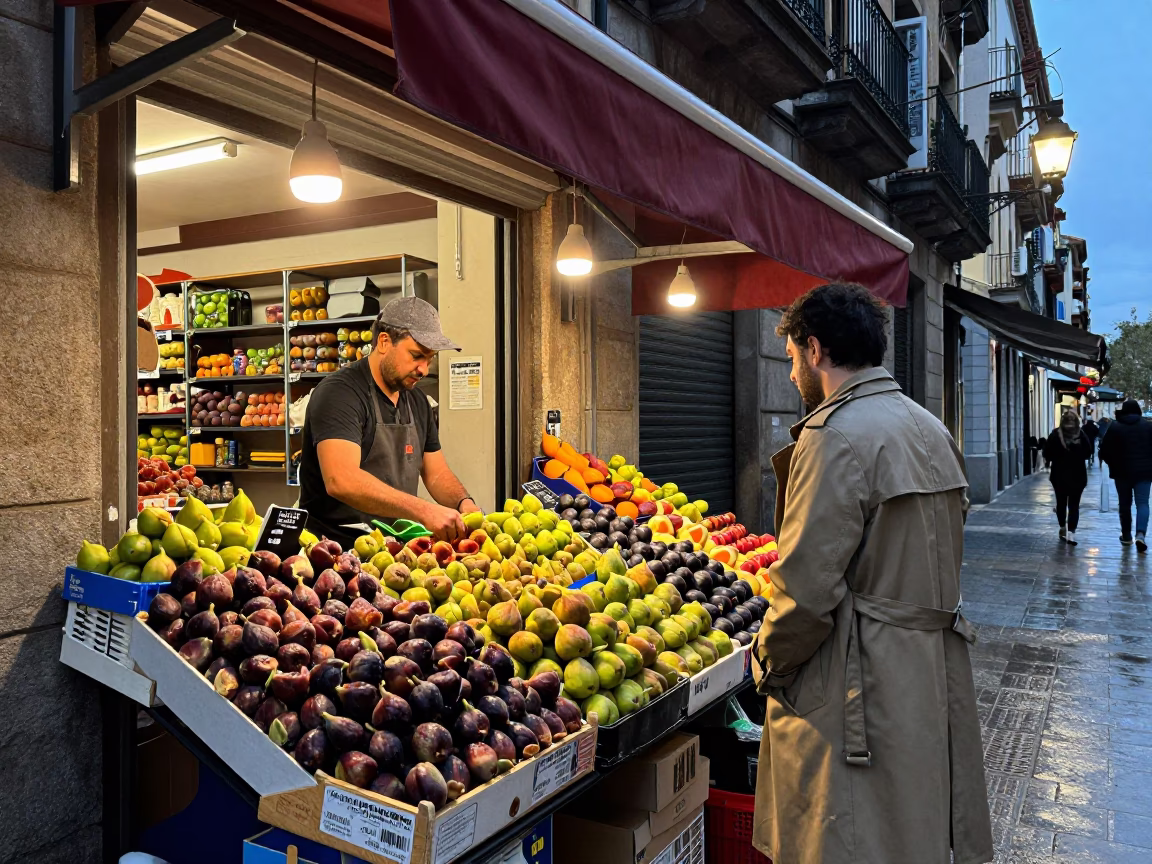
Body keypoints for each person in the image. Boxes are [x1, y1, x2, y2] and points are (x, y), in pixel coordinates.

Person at [751, 283, 992, 864]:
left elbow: (806, 591)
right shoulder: (930, 428)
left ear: (814, 350)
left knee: (847, 835)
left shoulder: (832, 436)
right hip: (929, 673)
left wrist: (769, 661)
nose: (789, 377)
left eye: (789, 359)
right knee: (912, 830)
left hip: (857, 681)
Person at [298, 297, 481, 547]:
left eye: (430, 359)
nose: (424, 369)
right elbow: (341, 480)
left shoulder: (417, 401)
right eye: (416, 356)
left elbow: (436, 473)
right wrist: (424, 511)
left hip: (394, 548)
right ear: (384, 342)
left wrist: (464, 503)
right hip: (335, 550)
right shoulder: (339, 393)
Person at [1099, 399, 1152, 551]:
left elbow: (1105, 449)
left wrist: (1111, 464)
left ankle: (1127, 536)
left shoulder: (1115, 427)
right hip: (1144, 472)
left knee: (1124, 504)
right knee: (1142, 503)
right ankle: (1140, 534)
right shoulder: (1148, 426)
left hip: (1121, 472)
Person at [1042, 411, 1092, 545]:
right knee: (1074, 505)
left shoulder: (1054, 434)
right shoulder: (1081, 435)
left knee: (1061, 502)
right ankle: (1071, 533)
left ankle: (1062, 527)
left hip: (1059, 475)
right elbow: (1088, 452)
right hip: (1078, 475)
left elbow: (1047, 453)